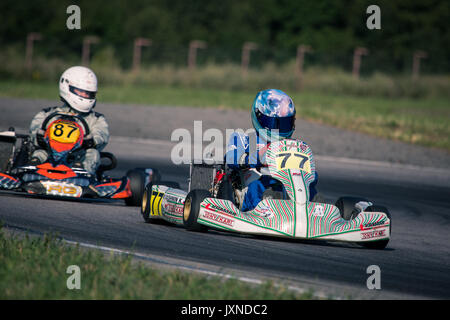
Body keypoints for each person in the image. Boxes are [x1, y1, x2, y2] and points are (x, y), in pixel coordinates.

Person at [225, 89, 318, 212]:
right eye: (274, 123)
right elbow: (230, 159)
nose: (279, 129)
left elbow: (312, 175)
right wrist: (256, 158)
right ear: (259, 117)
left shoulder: (296, 145)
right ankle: (263, 209)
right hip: (254, 184)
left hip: (287, 185)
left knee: (310, 189)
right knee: (256, 187)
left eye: (285, 124)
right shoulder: (244, 139)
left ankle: (313, 210)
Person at [28, 66, 109, 175]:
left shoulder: (96, 119)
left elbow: (102, 134)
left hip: (77, 155)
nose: (85, 96)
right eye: (81, 92)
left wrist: (92, 140)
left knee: (92, 153)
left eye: (89, 94)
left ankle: (82, 173)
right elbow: (34, 129)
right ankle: (33, 168)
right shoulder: (48, 114)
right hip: (50, 151)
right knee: (40, 152)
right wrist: (40, 135)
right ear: (67, 87)